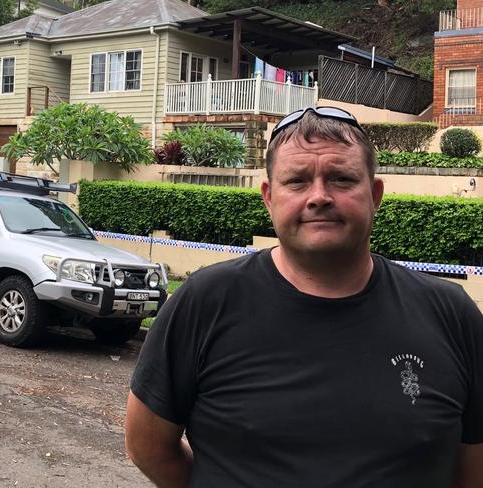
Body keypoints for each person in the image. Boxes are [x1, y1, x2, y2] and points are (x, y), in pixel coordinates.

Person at [125, 106, 483, 487]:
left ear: (375, 195)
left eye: (341, 179)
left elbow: (472, 470)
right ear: (268, 198)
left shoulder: (451, 315)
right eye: (297, 181)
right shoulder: (205, 302)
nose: (319, 197)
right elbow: (147, 444)